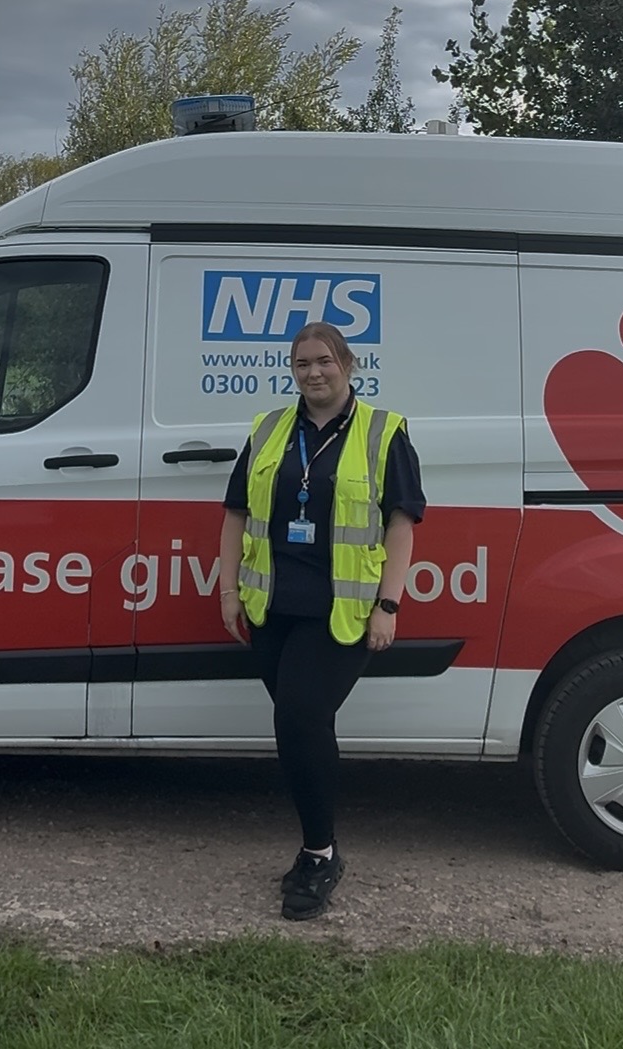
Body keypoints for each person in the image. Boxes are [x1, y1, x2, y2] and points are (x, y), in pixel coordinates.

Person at [218, 321, 425, 921]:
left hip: (343, 614)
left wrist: (389, 604)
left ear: (348, 365)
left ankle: (319, 853)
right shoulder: (268, 430)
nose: (313, 372)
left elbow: (401, 524)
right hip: (271, 609)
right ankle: (321, 843)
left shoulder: (384, 432)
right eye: (302, 363)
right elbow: (235, 513)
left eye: (324, 361)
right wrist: (229, 590)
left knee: (300, 716)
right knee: (304, 728)